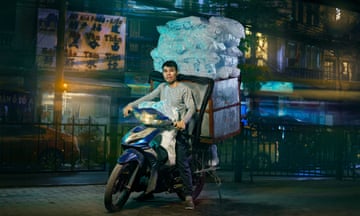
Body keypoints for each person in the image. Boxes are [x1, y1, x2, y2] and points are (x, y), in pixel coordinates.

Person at [123, 60, 196, 210]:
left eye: (171, 71)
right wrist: (131, 105)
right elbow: (148, 97)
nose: (168, 74)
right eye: (165, 71)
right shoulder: (162, 87)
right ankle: (149, 190)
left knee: (182, 161)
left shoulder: (184, 89)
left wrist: (183, 121)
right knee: (148, 154)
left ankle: (189, 196)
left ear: (176, 72)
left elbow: (192, 108)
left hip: (177, 129)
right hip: (161, 125)